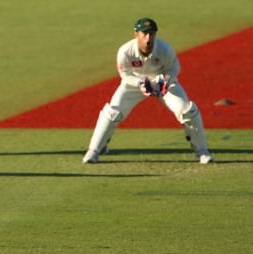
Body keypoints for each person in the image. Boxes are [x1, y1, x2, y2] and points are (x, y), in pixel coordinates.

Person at [82, 17, 213, 164]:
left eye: (151, 33)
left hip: (162, 82)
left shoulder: (164, 49)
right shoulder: (125, 51)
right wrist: (140, 82)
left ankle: (202, 151)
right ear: (136, 34)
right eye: (144, 34)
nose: (148, 38)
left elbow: (175, 67)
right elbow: (124, 74)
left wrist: (166, 79)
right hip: (134, 83)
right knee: (113, 112)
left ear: (155, 34)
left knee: (187, 110)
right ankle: (94, 151)